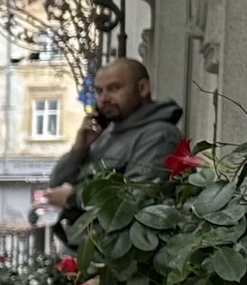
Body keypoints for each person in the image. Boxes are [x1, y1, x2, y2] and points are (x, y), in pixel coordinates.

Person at [39, 57, 185, 236]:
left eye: (114, 88)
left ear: (142, 88)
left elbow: (138, 198)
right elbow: (56, 185)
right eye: (99, 91)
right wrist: (79, 150)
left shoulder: (159, 135)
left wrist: (73, 198)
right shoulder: (107, 133)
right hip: (93, 250)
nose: (104, 98)